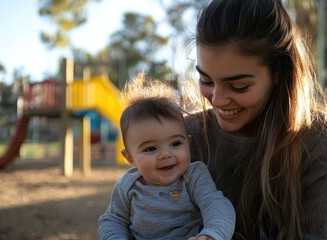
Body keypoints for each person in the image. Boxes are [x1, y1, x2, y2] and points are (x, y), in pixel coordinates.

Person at [181, 0, 327, 239]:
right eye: (206, 81)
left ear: (279, 74)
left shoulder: (319, 140)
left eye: (239, 86)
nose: (218, 100)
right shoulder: (184, 138)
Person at [97, 74, 236, 240]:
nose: (165, 154)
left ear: (188, 143)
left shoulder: (193, 176)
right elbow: (113, 220)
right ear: (130, 158)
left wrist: (212, 234)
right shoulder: (127, 186)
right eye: (150, 148)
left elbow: (215, 205)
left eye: (176, 144)